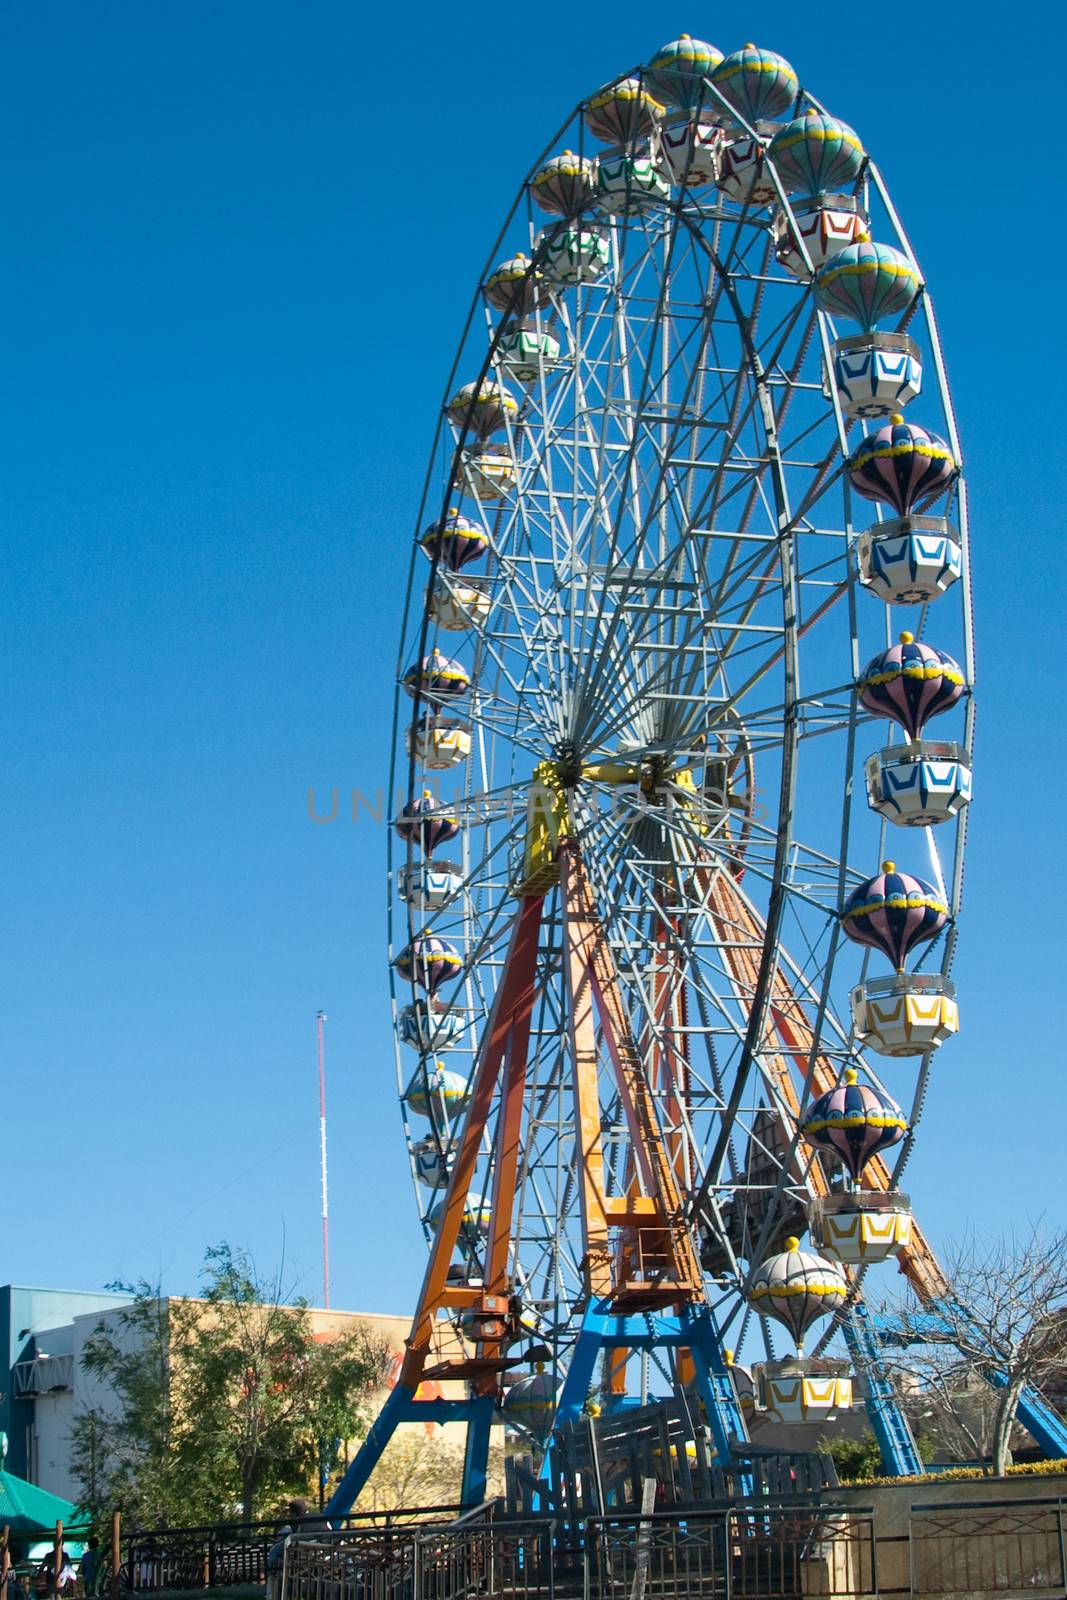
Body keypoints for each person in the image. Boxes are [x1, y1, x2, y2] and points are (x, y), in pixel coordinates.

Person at [265, 1501, 308, 1600]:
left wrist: (282, 1515)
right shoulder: (310, 1518)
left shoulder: (294, 1522)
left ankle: (273, 1574)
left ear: (292, 1512)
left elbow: (276, 1534)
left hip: (295, 1550)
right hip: (308, 1551)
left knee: (274, 1552)